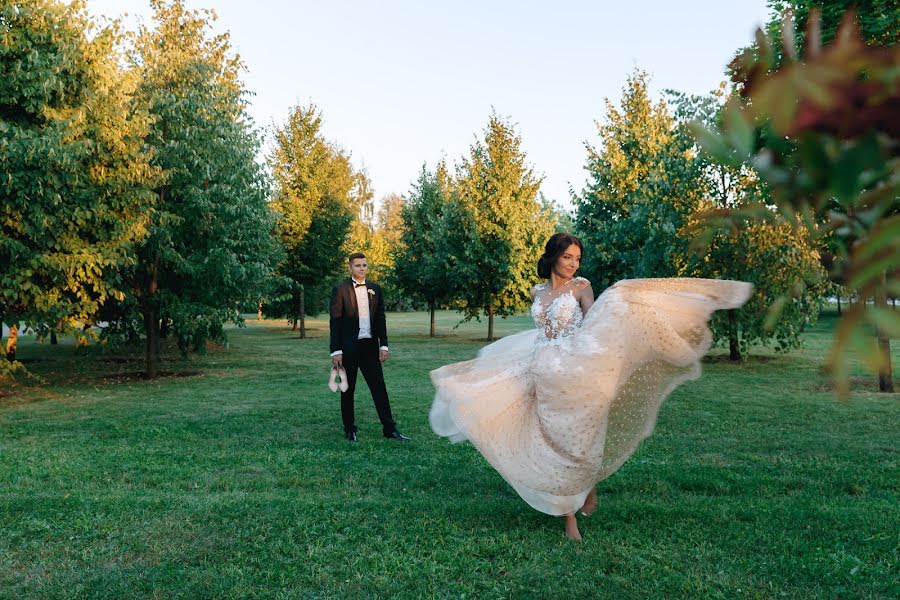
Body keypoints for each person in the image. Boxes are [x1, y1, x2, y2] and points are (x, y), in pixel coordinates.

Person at [429, 233, 752, 540]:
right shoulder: (536, 292)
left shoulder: (582, 287)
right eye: (567, 257)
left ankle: (575, 507)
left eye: (578, 258)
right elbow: (543, 329)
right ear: (553, 256)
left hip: (575, 366)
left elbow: (595, 325)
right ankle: (570, 500)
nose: (573, 263)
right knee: (546, 436)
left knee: (578, 438)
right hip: (541, 367)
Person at [330, 253, 409, 443]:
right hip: (348, 349)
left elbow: (380, 318)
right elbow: (335, 321)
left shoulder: (375, 289)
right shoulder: (340, 290)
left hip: (369, 347)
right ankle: (350, 429)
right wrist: (336, 351)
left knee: (379, 388)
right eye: (357, 265)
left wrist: (384, 345)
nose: (362, 268)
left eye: (364, 265)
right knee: (347, 390)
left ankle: (390, 429)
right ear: (350, 268)